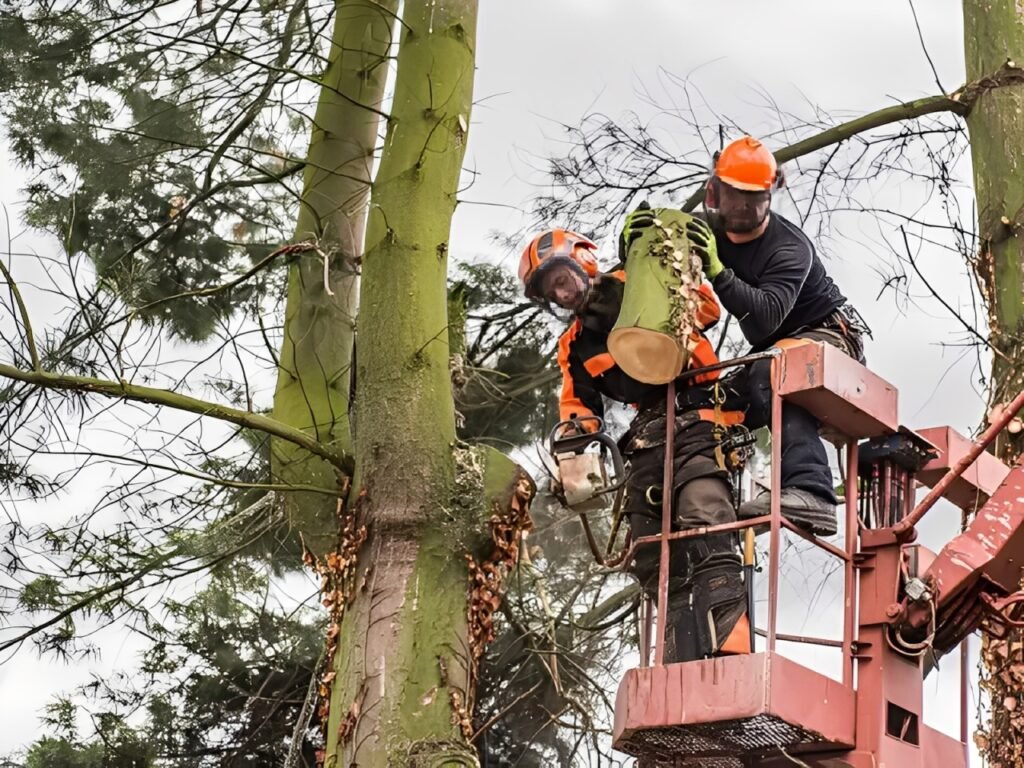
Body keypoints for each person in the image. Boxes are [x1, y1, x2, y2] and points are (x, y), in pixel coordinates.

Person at [519, 227, 749, 662]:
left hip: (700, 406)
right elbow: (578, 406)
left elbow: (707, 309)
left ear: (583, 263)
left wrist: (668, 290)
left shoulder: (638, 279)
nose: (563, 294)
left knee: (704, 513)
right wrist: (572, 446)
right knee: (648, 549)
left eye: (563, 280)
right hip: (646, 431)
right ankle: (679, 657)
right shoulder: (573, 346)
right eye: (553, 292)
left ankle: (731, 646)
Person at [627, 137, 869, 536]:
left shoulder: (789, 249)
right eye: (735, 195)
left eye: (754, 198)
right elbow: (658, 276)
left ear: (771, 195)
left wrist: (719, 271)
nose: (744, 205)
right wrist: (636, 248)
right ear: (713, 192)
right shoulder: (705, 228)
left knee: (773, 370)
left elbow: (763, 324)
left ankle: (812, 491)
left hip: (826, 335)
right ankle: (703, 517)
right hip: (773, 351)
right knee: (695, 402)